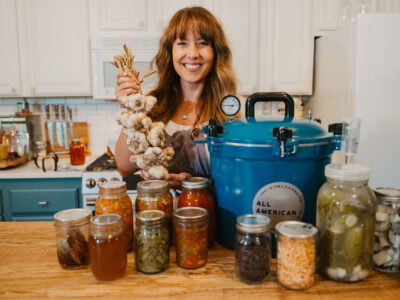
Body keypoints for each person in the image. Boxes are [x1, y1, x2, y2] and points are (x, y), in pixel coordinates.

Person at [114, 6, 239, 188]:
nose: (193, 54)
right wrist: (131, 110)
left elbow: (240, 178)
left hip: (210, 214)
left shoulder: (232, 110)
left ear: (216, 51)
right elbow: (125, 168)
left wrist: (196, 185)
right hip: (158, 211)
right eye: (182, 43)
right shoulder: (150, 103)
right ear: (170, 50)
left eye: (203, 43)